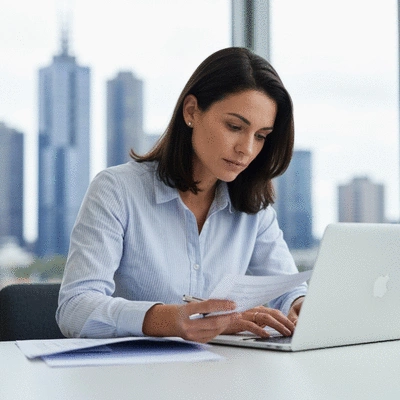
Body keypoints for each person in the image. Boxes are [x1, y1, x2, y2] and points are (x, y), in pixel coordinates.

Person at [56, 47, 307, 343]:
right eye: (235, 126)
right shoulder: (116, 190)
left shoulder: (253, 206)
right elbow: (74, 309)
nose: (247, 149)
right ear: (191, 112)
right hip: (135, 379)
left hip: (222, 376)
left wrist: (299, 306)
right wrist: (170, 320)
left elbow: (286, 289)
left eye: (261, 136)